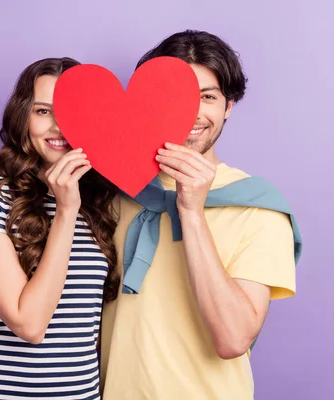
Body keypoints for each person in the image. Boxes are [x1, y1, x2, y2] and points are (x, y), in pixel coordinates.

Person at [99, 30, 302, 399]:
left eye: (207, 97)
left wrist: (191, 213)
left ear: (228, 105)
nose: (191, 111)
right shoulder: (114, 192)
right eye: (173, 97)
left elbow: (232, 338)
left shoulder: (258, 208)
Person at [0, 57, 120, 400]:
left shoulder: (103, 203)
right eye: (43, 111)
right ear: (22, 116)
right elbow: (29, 325)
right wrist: (65, 211)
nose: (58, 127)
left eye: (72, 111)